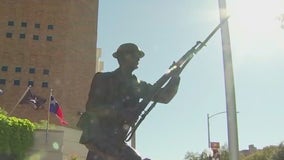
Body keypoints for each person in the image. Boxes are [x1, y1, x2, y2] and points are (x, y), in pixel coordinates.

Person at [77, 43, 181, 160]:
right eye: (136, 55)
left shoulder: (138, 85)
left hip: (117, 141)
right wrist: (122, 113)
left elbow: (164, 97)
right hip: (99, 139)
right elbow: (92, 108)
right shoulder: (103, 79)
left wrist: (175, 78)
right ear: (125, 56)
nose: (138, 59)